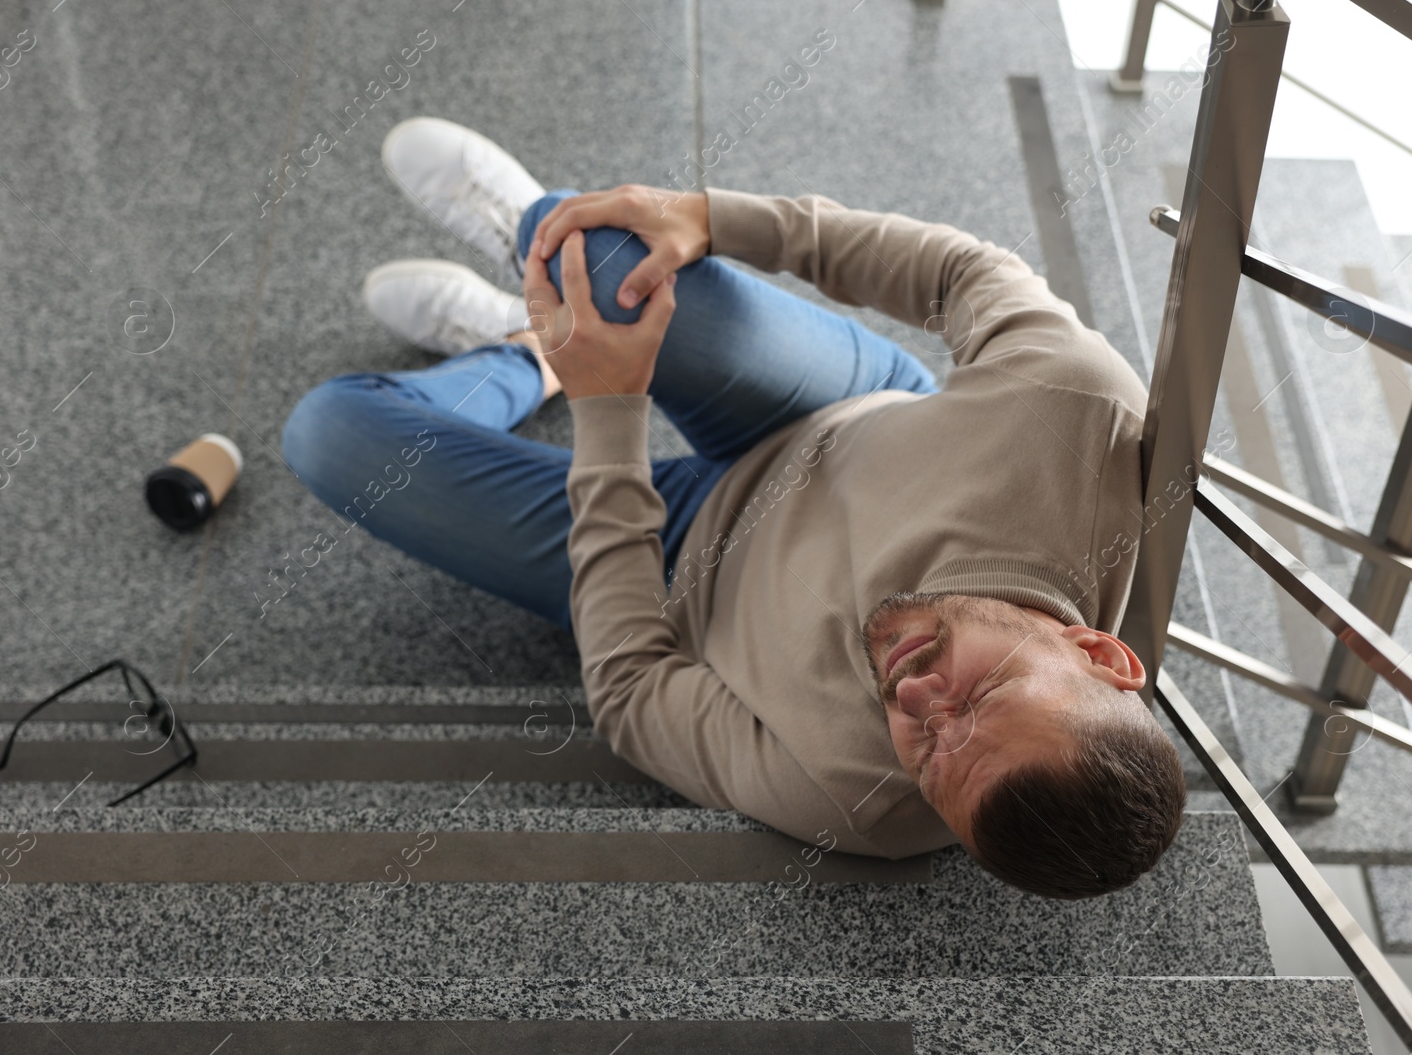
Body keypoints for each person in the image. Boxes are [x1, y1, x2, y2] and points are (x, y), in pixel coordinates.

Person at [282, 117, 1186, 900]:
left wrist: (607, 410)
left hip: (683, 558)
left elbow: (633, 698)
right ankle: (547, 295)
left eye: (930, 753)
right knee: (597, 249)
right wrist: (717, 218)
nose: (916, 699)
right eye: (982, 694)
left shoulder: (858, 804)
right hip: (837, 417)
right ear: (1098, 652)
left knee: (327, 435)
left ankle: (530, 359)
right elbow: (961, 274)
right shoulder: (1078, 416)